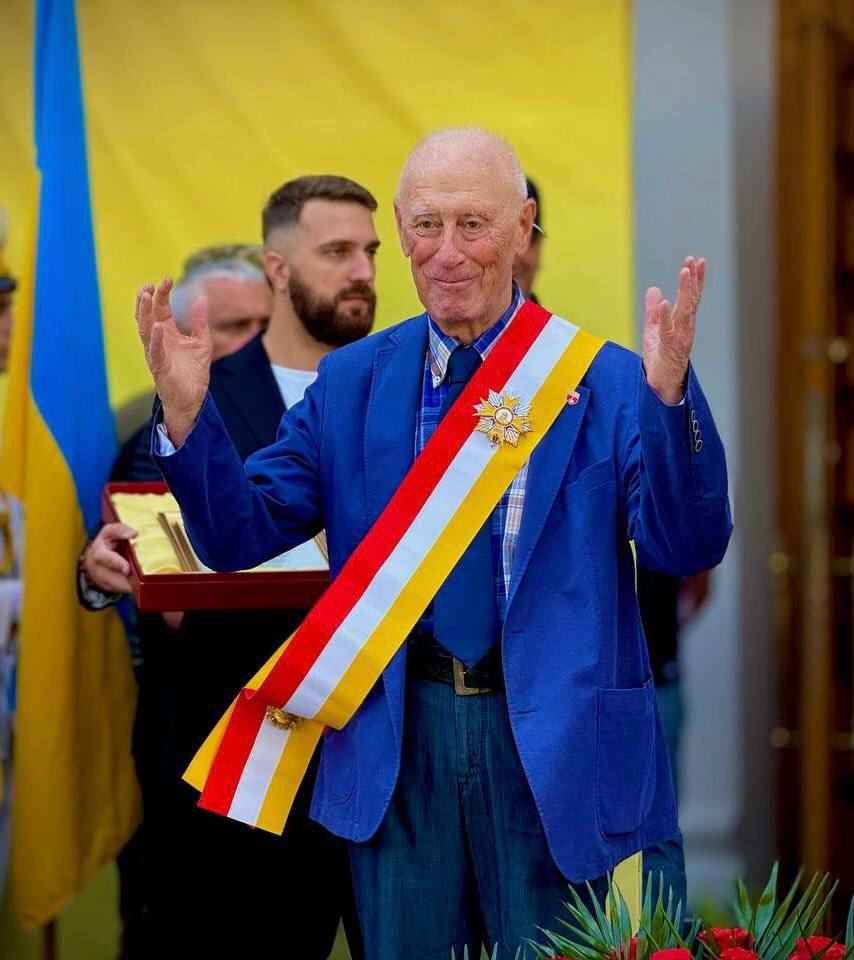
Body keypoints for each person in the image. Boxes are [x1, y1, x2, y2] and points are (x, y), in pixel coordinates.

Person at [139, 128, 732, 958]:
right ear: (401, 229)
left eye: (472, 225)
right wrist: (187, 417)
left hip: (559, 749)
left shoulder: (604, 379)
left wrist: (667, 407)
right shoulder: (352, 381)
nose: (446, 252)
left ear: (521, 227)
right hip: (398, 742)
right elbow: (241, 533)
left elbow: (685, 544)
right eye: (426, 225)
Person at [80, 176, 379, 957]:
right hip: (234, 765)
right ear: (278, 268)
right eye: (338, 251)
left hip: (377, 763)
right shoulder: (191, 396)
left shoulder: (405, 389)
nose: (362, 272)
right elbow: (144, 550)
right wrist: (108, 569)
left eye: (372, 251)